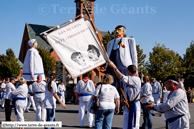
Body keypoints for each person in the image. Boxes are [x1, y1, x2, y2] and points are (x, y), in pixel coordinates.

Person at [108, 60, 141, 129]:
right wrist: (122, 98)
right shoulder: (130, 79)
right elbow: (125, 90)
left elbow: (121, 77)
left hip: (134, 105)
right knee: (125, 125)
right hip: (127, 104)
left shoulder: (136, 79)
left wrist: (114, 67)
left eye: (127, 71)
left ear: (129, 71)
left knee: (134, 125)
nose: (126, 72)